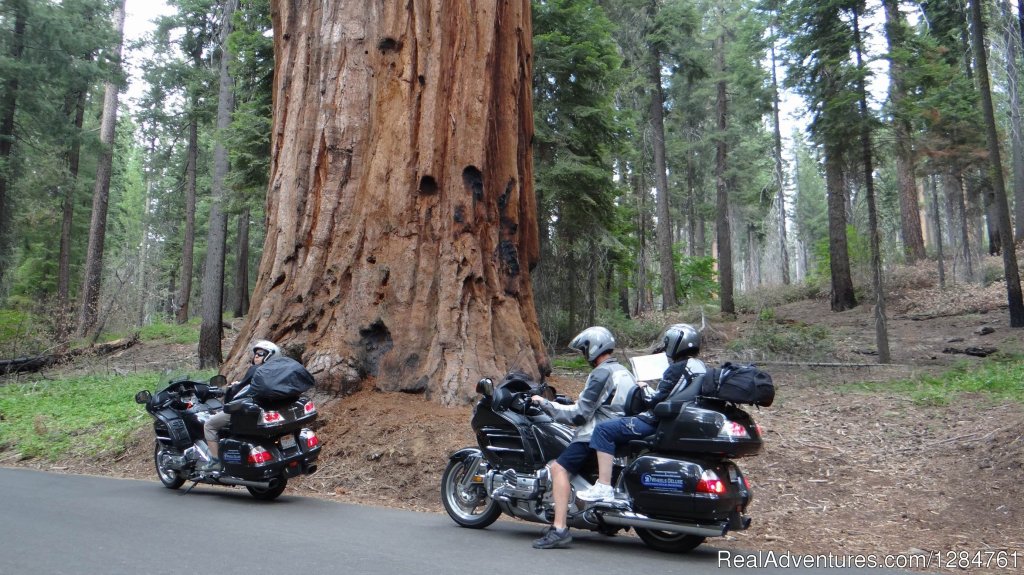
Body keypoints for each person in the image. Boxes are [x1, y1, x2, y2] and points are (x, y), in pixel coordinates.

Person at [528, 326, 637, 549]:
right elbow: (603, 403)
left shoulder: (600, 372)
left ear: (594, 348)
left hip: (594, 434)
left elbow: (579, 415)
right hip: (619, 432)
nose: (584, 354)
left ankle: (559, 528)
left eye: (584, 349)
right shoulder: (623, 371)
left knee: (559, 469)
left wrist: (546, 404)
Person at [575, 323, 706, 503]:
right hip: (676, 419)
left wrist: (643, 387)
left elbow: (655, 400)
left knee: (603, 430)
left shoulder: (677, 368)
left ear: (676, 343)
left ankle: (603, 486)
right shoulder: (700, 366)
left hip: (654, 420)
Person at [199, 340, 280, 473]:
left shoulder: (256, 370)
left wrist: (234, 386)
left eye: (261, 354)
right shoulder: (275, 372)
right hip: (264, 410)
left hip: (245, 411)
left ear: (270, 355)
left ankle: (215, 462)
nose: (256, 356)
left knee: (209, 425)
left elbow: (239, 390)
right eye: (256, 354)